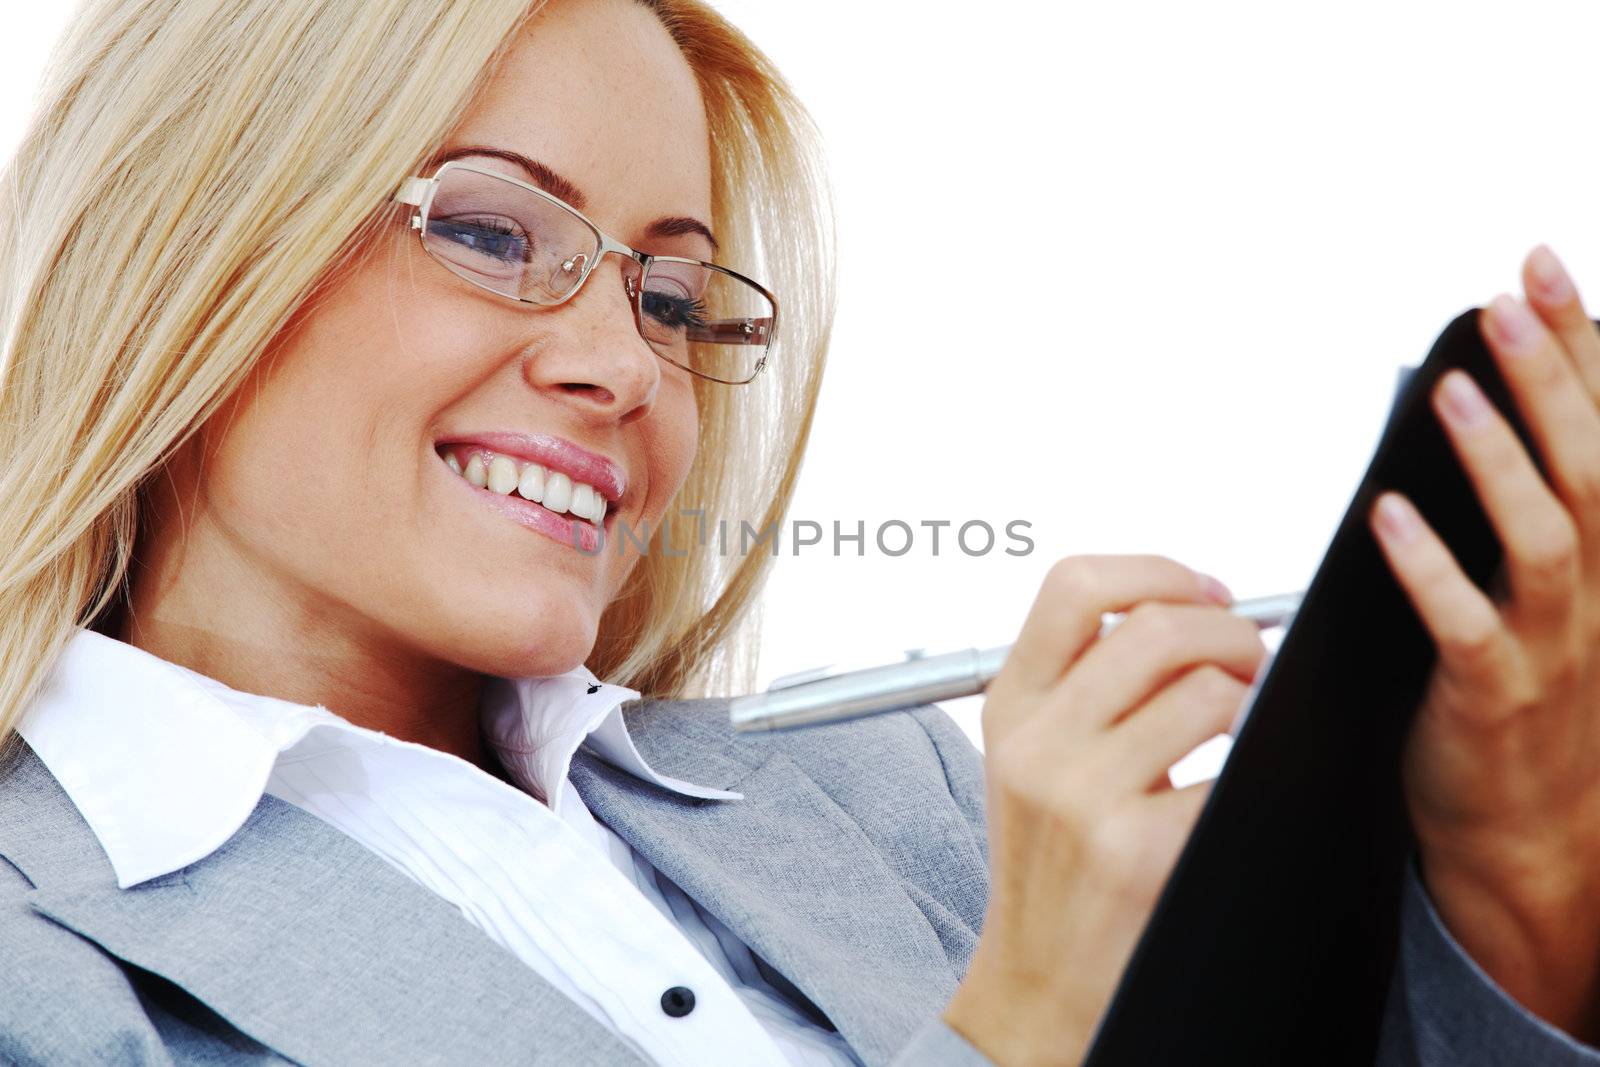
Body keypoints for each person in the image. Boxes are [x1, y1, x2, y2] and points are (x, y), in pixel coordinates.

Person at [0, 1, 1596, 1065]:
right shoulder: (37, 967)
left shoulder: (865, 787)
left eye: (675, 296)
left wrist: (1515, 868)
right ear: (190, 244)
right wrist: (1022, 1024)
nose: (622, 367)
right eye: (494, 232)